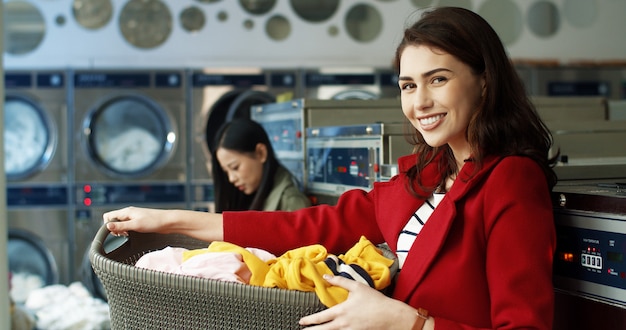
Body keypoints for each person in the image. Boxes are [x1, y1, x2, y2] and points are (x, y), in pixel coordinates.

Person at [104, 7, 557, 329]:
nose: (420, 102)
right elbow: (309, 226)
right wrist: (168, 221)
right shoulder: (428, 175)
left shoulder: (511, 180)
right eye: (407, 85)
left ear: (483, 80)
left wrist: (411, 324)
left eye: (438, 79)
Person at [209, 118, 311, 212]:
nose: (231, 179)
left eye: (235, 167)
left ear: (261, 153)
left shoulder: (291, 203)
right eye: (226, 172)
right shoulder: (247, 197)